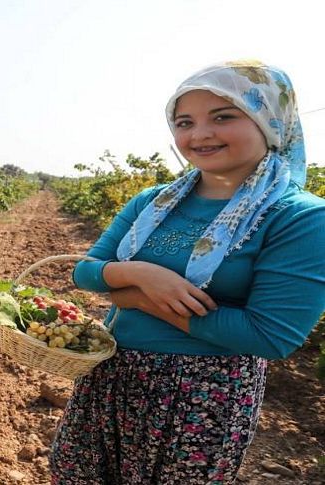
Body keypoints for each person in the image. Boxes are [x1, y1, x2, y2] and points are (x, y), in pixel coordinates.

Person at [49, 60, 325, 484]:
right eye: (184, 121)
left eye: (224, 116)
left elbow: (270, 336)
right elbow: (85, 271)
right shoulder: (152, 202)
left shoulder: (299, 218)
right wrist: (140, 274)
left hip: (202, 396)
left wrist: (138, 299)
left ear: (269, 121)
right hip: (110, 373)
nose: (199, 135)